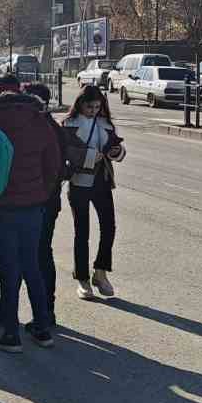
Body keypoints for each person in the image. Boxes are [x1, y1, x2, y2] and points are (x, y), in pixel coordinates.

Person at [0, 74, 61, 353]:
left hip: (0, 206)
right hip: (33, 206)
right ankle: (42, 328)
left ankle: (11, 333)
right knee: (32, 266)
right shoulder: (39, 119)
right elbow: (53, 163)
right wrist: (41, 192)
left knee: (8, 269)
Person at [60, 84, 126, 301]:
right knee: (82, 232)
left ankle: (101, 272)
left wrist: (117, 152)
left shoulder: (105, 123)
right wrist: (88, 157)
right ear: (80, 104)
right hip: (79, 182)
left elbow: (116, 147)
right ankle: (82, 279)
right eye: (90, 107)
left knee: (109, 227)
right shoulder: (69, 124)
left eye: (97, 107)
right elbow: (64, 151)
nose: (94, 111)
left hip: (102, 181)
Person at [22, 81, 66, 319]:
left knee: (39, 255)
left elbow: (56, 170)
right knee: (33, 255)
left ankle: (46, 310)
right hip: (41, 201)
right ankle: (42, 310)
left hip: (43, 202)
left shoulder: (48, 128)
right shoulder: (41, 125)